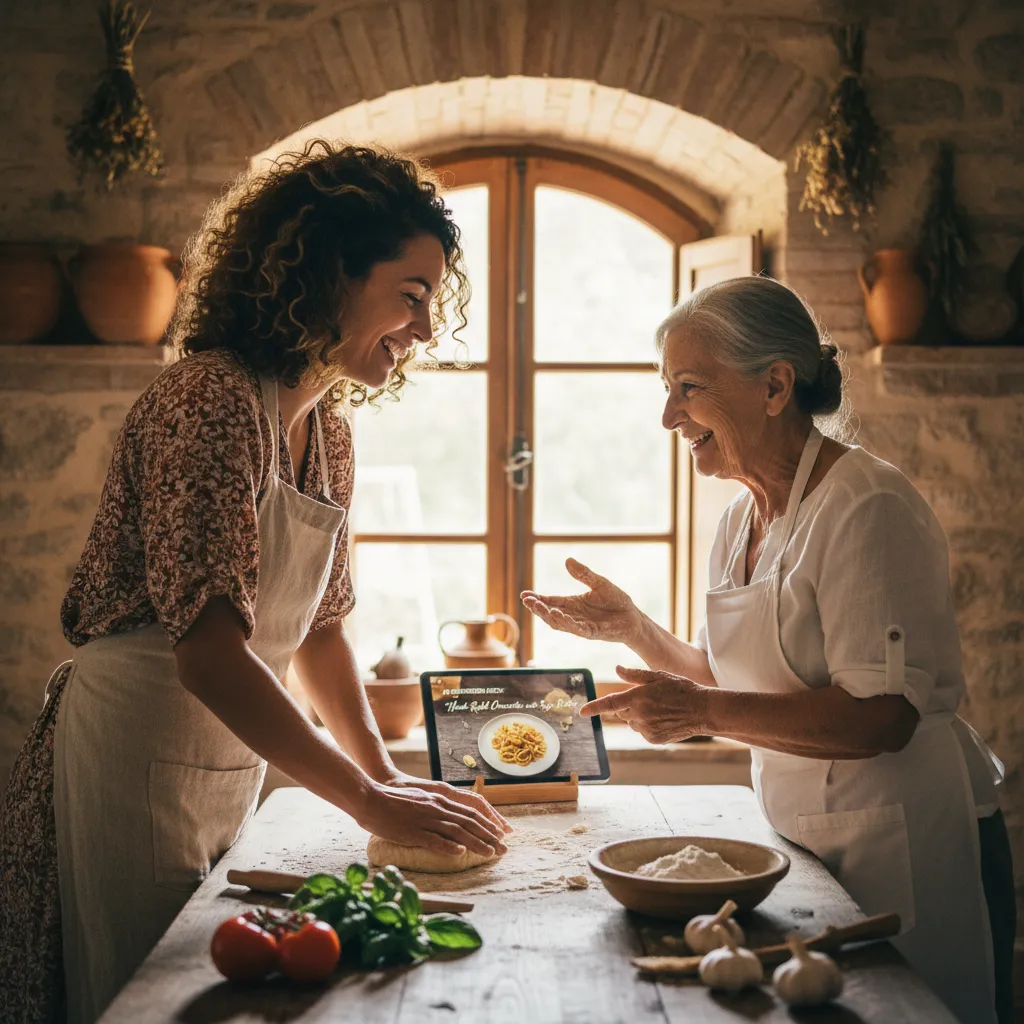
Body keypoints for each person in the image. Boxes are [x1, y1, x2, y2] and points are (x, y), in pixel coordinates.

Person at [0, 140, 510, 1024]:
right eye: (412, 295)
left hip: (227, 761)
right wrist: (364, 797)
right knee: (146, 1004)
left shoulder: (331, 434)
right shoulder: (208, 401)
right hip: (132, 757)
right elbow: (208, 654)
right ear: (329, 277)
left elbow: (320, 630)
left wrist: (381, 770)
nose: (425, 330)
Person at [522, 276, 1014, 1024]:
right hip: (802, 839)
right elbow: (733, 680)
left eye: (689, 387)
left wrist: (697, 714)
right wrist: (634, 629)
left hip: (898, 842)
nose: (667, 416)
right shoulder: (737, 521)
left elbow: (883, 719)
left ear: (776, 386)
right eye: (666, 388)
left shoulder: (865, 505)